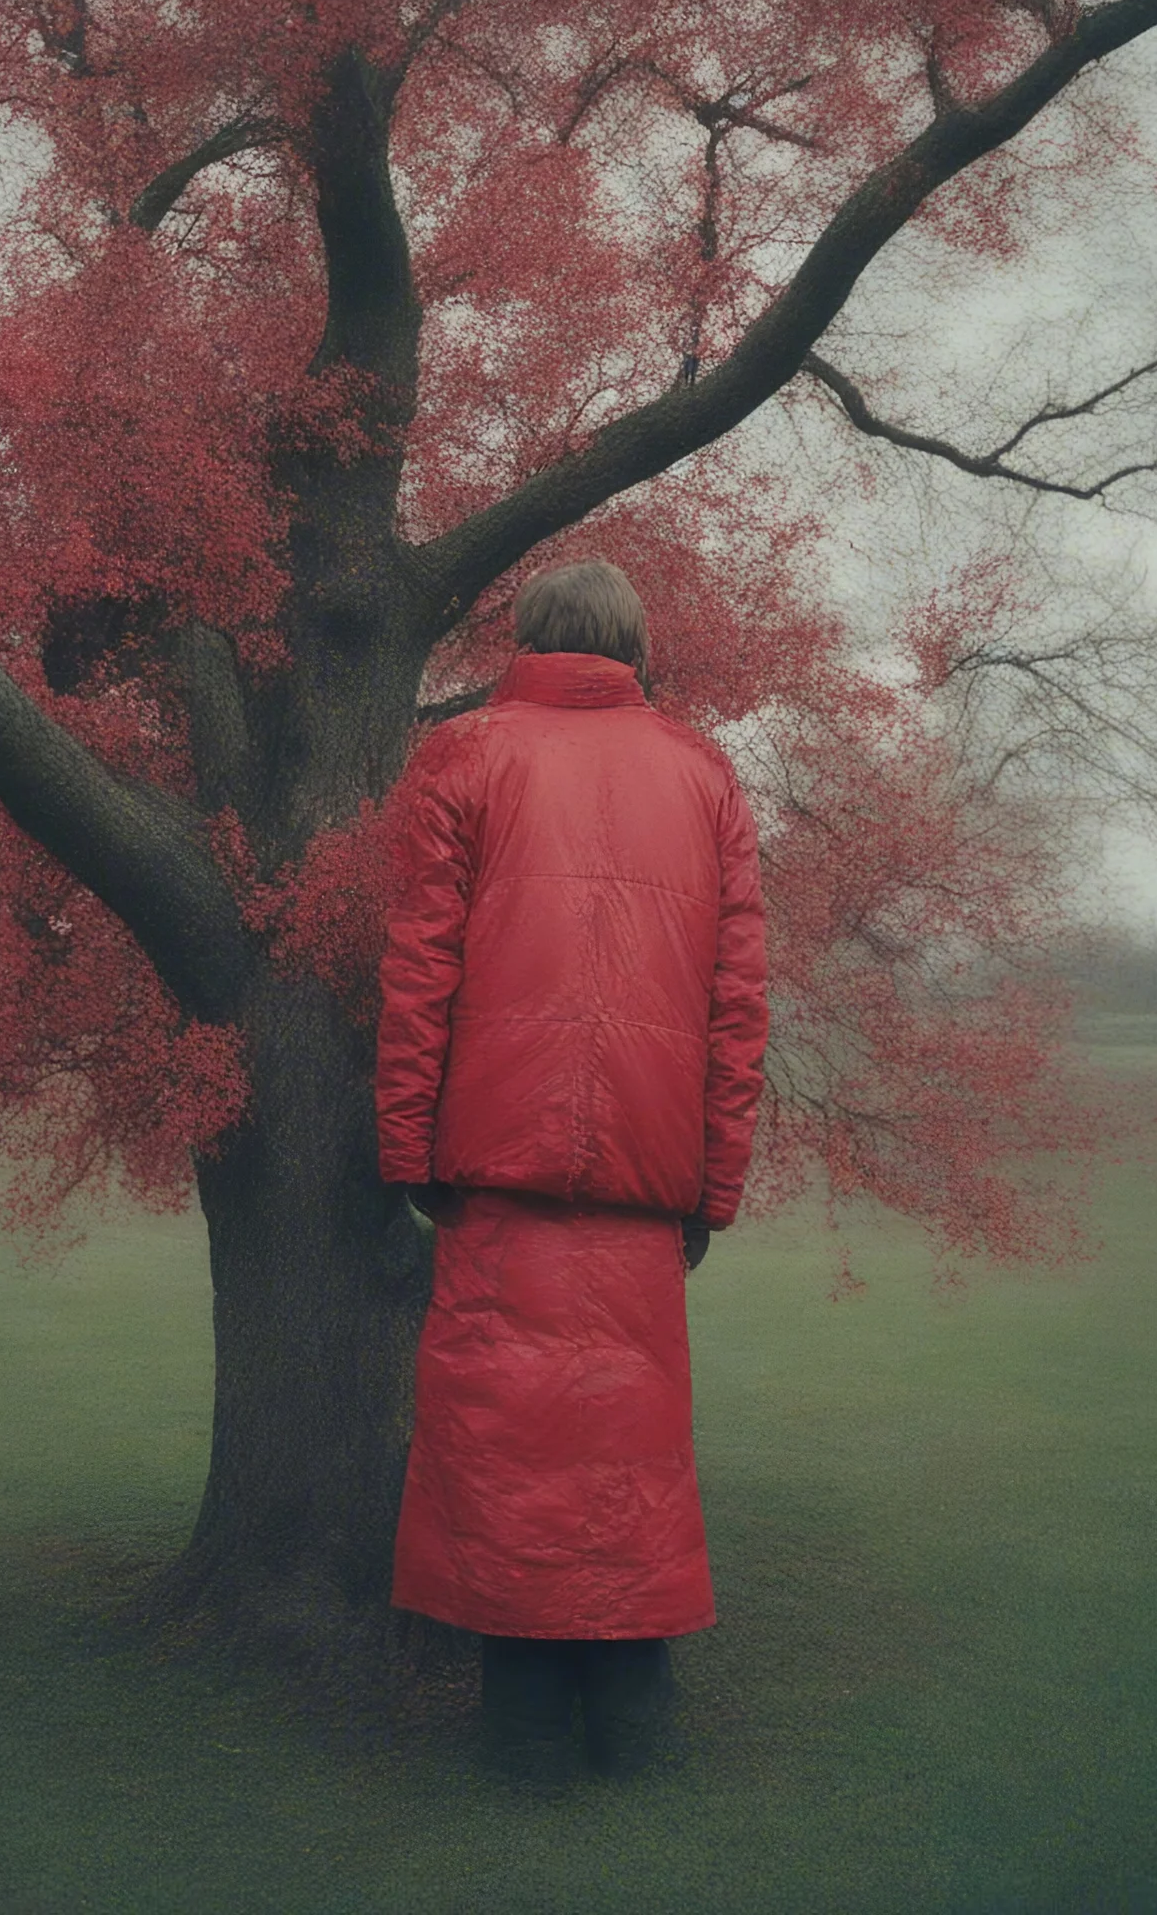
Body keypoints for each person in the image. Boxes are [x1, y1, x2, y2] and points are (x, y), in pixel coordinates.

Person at [375, 558, 769, 1790]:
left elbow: (419, 970)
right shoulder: (705, 773)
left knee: (507, 1457)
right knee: (631, 1462)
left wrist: (407, 1146)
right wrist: (714, 1183)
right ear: (635, 644)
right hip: (647, 1190)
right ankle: (637, 1734)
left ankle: (530, 1742)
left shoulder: (463, 756)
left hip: (496, 1169)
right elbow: (735, 1001)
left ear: (529, 637)